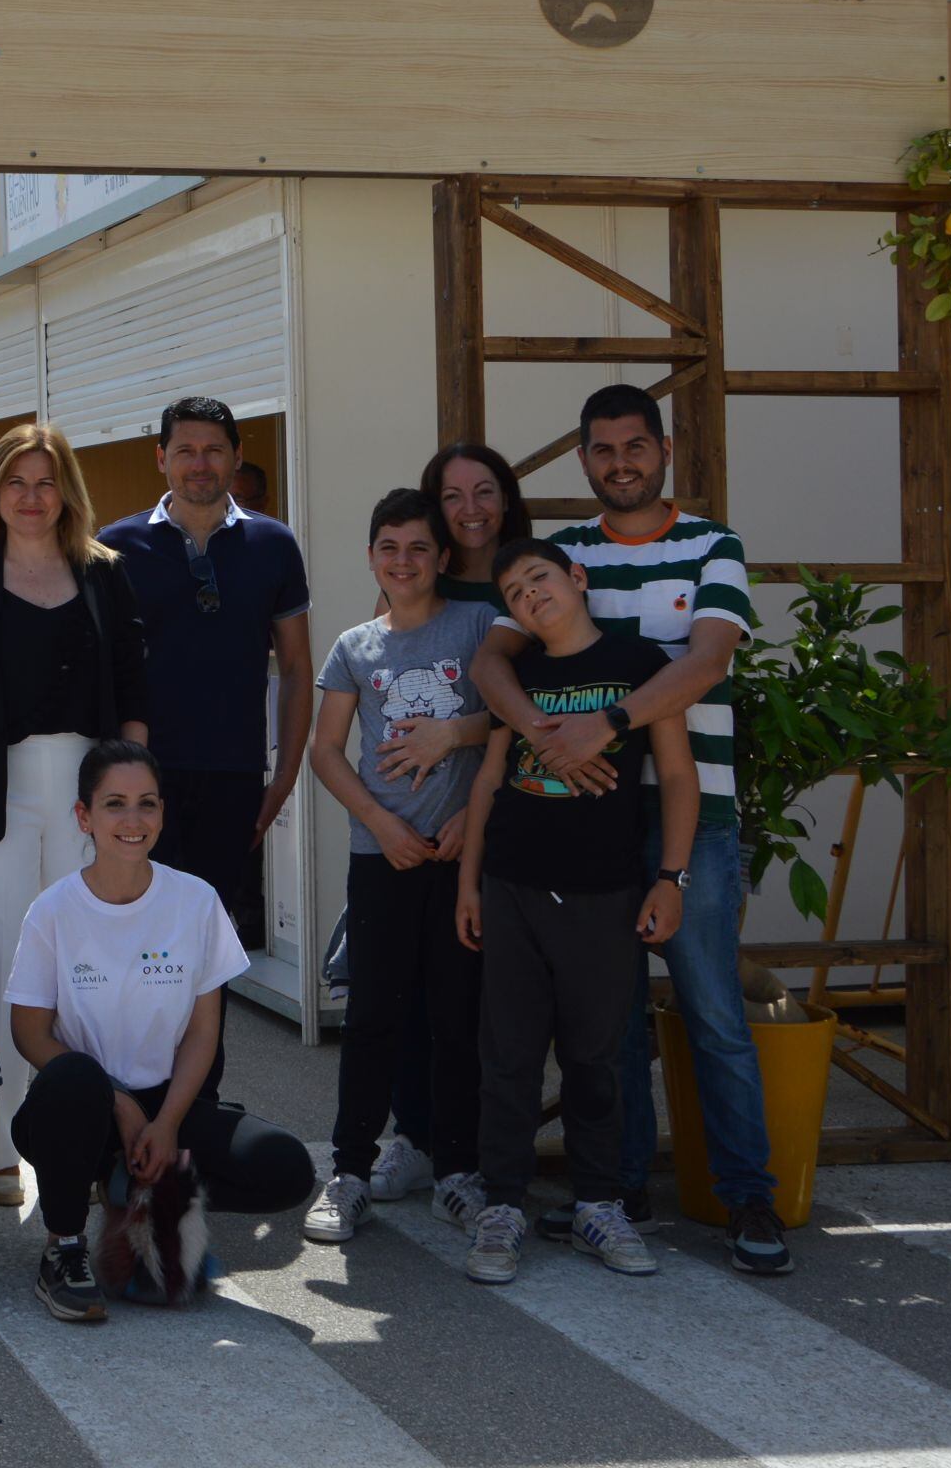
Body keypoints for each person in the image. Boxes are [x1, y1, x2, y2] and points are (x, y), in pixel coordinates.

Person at [468, 383, 791, 1277]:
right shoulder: (563, 553)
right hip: (587, 822)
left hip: (694, 807)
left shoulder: (712, 544)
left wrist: (600, 727)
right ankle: (621, 1191)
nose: (622, 463)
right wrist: (543, 734)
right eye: (603, 451)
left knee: (713, 1011)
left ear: (664, 449)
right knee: (607, 1025)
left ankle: (748, 1197)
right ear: (584, 461)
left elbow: (708, 659)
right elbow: (494, 660)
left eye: (635, 447)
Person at [0, 422, 148, 1211]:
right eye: (15, 483)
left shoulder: (104, 576)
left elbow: (134, 689)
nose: (30, 497)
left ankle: (79, 1141)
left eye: (45, 482)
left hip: (90, 791)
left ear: (67, 493)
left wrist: (131, 804)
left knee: (83, 964)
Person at [456, 538, 697, 1285]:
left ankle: (599, 1203)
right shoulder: (516, 677)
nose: (531, 596)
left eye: (541, 579)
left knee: (597, 1058)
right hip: (513, 885)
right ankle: (501, 1206)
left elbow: (680, 775)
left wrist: (672, 878)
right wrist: (469, 883)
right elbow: (490, 780)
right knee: (509, 1055)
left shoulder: (638, 664)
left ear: (578, 578)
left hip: (605, 890)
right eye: (516, 593)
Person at [7, 742, 316, 1324]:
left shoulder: (196, 901)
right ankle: (64, 1246)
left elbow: (204, 1033)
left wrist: (168, 1123)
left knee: (287, 1167)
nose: (133, 820)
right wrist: (119, 1106)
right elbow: (29, 1033)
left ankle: (153, 1193)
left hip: (171, 1102)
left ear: (163, 813)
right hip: (81, 1109)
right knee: (73, 1077)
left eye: (146, 804)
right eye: (115, 804)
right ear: (84, 817)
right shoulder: (52, 911)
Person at [302, 489, 495, 1246]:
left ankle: (458, 1171)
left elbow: (513, 717)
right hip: (381, 858)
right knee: (375, 1016)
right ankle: (349, 1170)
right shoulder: (355, 645)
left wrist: (470, 814)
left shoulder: (477, 626)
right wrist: (380, 824)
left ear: (442, 557)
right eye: (390, 548)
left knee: (457, 1017)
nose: (404, 561)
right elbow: (325, 750)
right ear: (372, 557)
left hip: (460, 856)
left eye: (419, 547)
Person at [100, 395, 312, 951]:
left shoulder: (274, 545)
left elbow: (294, 667)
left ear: (237, 457)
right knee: (136, 935)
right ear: (160, 458)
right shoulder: (113, 549)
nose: (200, 464)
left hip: (234, 779)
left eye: (214, 450)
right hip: (141, 779)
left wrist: (283, 778)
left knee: (210, 945)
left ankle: (205, 1045)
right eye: (185, 450)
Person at [423, 442, 533, 607]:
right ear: (436, 508)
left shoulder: (537, 581)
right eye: (452, 496)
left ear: (505, 499)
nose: (471, 509)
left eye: (484, 492)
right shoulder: (417, 584)